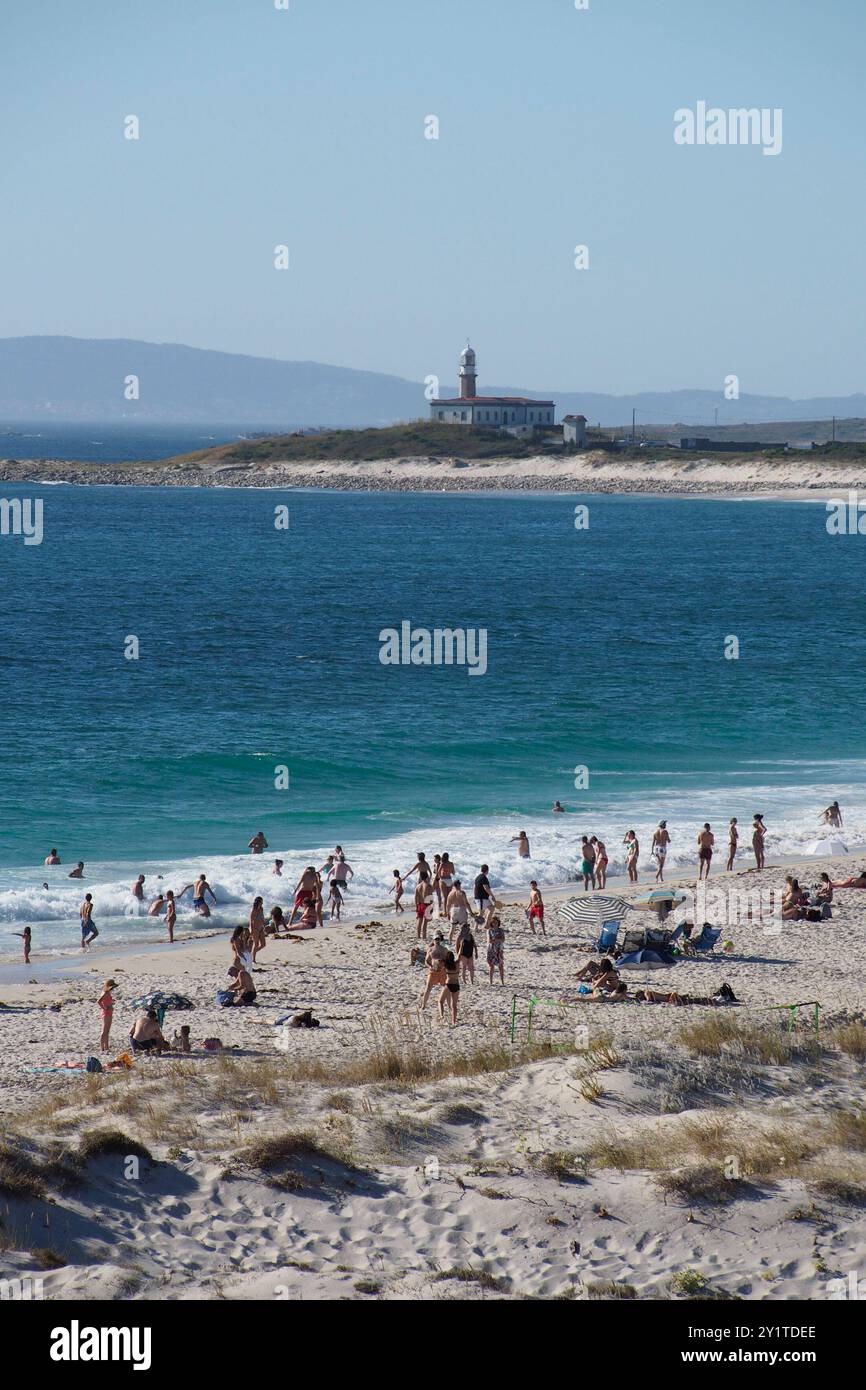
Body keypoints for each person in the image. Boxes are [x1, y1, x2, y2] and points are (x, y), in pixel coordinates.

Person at [420, 933, 450, 1008]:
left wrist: (445, 967)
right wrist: (430, 966)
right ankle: (423, 1005)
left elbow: (449, 960)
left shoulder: (445, 949)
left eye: (438, 939)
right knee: (428, 988)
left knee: (447, 988)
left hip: (442, 971)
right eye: (436, 939)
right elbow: (426, 961)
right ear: (433, 940)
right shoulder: (430, 949)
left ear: (440, 940)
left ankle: (450, 1005)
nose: (437, 941)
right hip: (433, 971)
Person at [438, 950, 460, 1025]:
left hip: (449, 984)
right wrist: (460, 947)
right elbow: (460, 955)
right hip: (456, 984)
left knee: (440, 1001)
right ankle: (454, 1021)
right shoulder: (456, 964)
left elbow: (439, 961)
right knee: (454, 1006)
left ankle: (442, 1015)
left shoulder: (446, 965)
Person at [486, 915, 506, 985]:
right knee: (491, 966)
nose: (495, 924)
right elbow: (489, 940)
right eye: (493, 922)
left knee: (501, 966)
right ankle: (491, 981)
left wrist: (496, 939)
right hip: (491, 949)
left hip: (499, 949)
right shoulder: (489, 930)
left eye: (496, 922)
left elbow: (503, 939)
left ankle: (502, 981)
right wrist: (497, 940)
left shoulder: (501, 930)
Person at [415, 870, 434, 940]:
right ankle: (424, 936)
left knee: (420, 921)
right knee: (425, 922)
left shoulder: (418, 886)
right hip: (426, 905)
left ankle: (418, 935)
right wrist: (431, 906)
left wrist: (416, 906)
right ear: (427, 877)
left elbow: (416, 897)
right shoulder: (428, 885)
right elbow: (430, 896)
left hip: (420, 904)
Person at [98, 978, 116, 1053]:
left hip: (109, 1012)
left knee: (107, 1031)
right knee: (104, 1031)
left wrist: (110, 1004)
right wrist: (105, 1008)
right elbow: (99, 1001)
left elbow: (106, 1001)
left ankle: (106, 1047)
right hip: (106, 1013)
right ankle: (102, 1047)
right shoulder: (105, 992)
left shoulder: (107, 992)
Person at [436, 853, 456, 917]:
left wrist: (440, 877)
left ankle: (445, 911)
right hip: (449, 879)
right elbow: (453, 872)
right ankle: (448, 911)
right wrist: (449, 871)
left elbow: (438, 871)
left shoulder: (442, 863)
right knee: (449, 897)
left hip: (443, 880)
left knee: (444, 897)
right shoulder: (451, 863)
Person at [249, 896, 267, 961]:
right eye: (261, 902)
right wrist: (251, 929)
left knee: (263, 944)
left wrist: (264, 926)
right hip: (255, 928)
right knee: (256, 943)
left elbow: (262, 918)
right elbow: (251, 920)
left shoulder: (261, 909)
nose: (262, 903)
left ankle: (252, 954)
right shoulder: (253, 909)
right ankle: (253, 959)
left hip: (261, 928)